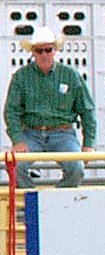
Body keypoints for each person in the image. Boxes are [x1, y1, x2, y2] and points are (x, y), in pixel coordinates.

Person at [4, 26, 95, 188]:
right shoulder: (21, 76)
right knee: (14, 167)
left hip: (63, 133)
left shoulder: (71, 75)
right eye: (39, 51)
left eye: (48, 49)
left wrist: (89, 143)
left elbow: (87, 110)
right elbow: (11, 111)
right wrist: (17, 140)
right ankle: (32, 202)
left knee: (77, 168)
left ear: (55, 50)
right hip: (31, 133)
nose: (44, 54)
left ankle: (55, 203)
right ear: (33, 52)